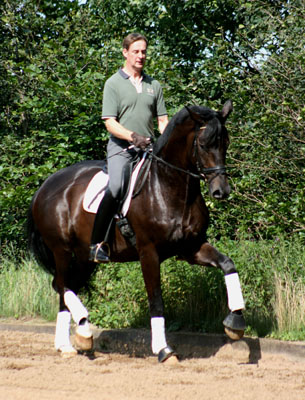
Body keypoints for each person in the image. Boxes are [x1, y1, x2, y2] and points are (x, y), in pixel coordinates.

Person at [89, 32, 169, 263]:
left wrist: (169, 140)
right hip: (122, 149)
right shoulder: (113, 84)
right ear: (125, 52)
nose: (141, 56)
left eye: (144, 51)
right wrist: (133, 137)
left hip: (149, 149)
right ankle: (96, 244)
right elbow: (110, 123)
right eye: (136, 51)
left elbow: (162, 121)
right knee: (115, 188)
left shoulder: (154, 85)